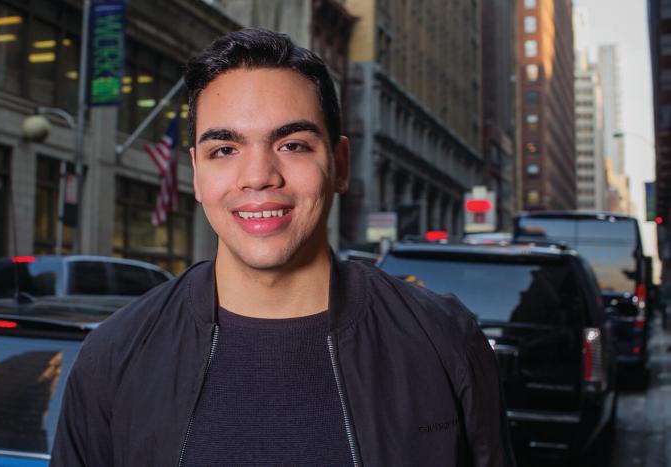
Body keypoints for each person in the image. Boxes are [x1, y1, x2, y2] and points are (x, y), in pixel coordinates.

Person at [51, 27, 514, 466]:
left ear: (339, 165)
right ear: (196, 173)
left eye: (292, 145)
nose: (258, 176)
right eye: (224, 150)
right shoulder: (114, 353)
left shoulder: (444, 340)